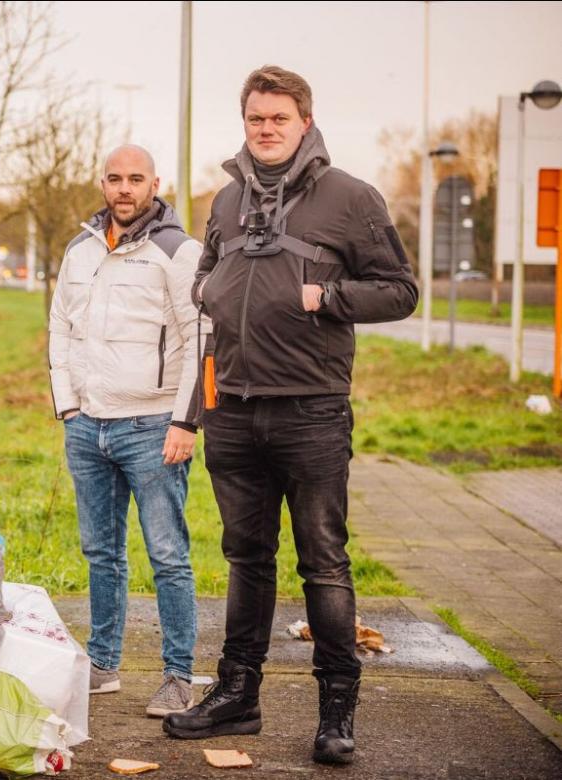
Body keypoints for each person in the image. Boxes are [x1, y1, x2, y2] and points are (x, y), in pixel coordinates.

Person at [162, 66, 418, 764]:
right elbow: (205, 287)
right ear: (244, 122)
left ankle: (337, 711)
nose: (266, 129)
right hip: (236, 413)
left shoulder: (350, 198)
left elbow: (400, 291)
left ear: (305, 121)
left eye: (278, 118)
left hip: (311, 412)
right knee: (246, 560)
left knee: (323, 564)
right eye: (255, 119)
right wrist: (209, 293)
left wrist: (327, 298)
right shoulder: (225, 201)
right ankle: (238, 696)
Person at [48, 144, 208, 718]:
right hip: (88, 426)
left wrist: (186, 420)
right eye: (114, 178)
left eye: (135, 179)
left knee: (168, 554)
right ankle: (104, 664)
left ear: (153, 183)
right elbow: (60, 329)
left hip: (152, 425)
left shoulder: (177, 250)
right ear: (102, 183)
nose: (124, 189)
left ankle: (177, 675)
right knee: (101, 552)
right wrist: (68, 406)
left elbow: (201, 338)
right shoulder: (80, 250)